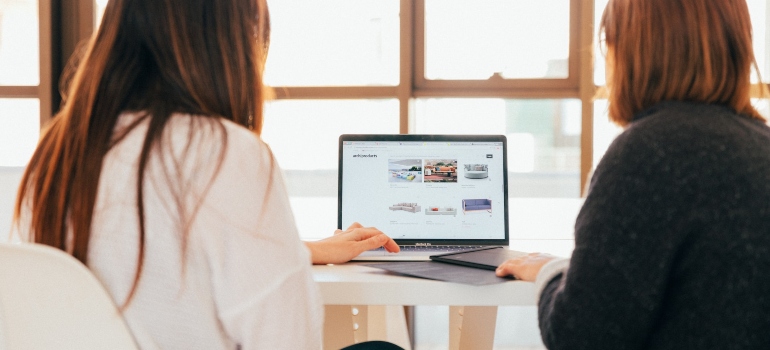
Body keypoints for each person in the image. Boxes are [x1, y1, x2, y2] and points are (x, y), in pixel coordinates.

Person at [12, 0, 398, 348]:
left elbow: (147, 260)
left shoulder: (57, 154)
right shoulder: (226, 152)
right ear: (227, 43)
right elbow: (289, 338)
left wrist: (304, 251)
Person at [495, 0, 770, 349]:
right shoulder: (762, 145)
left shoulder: (649, 152)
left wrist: (551, 273)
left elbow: (580, 336)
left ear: (626, 51)